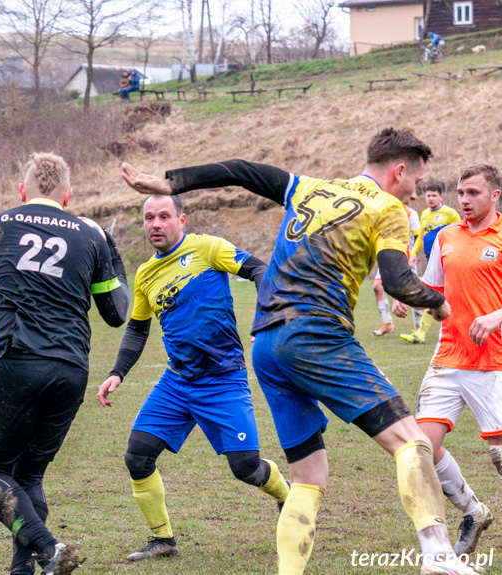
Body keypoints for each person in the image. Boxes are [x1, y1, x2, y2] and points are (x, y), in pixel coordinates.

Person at [120, 127, 481, 575]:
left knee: (308, 478)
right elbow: (401, 281)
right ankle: (440, 559)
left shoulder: (309, 186)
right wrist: (440, 303)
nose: (414, 190)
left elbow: (242, 171)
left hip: (267, 344)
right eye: (415, 179)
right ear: (400, 170)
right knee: (412, 444)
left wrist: (172, 182)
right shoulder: (388, 208)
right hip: (316, 335)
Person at [97, 194, 290, 562]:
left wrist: (266, 315)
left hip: (223, 380)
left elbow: (260, 270)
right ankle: (163, 539)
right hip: (177, 383)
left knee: (246, 468)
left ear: (181, 220)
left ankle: (286, 495)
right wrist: (117, 373)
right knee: (137, 457)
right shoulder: (145, 275)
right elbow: (137, 331)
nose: (156, 224)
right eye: (149, 217)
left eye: (164, 216)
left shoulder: (208, 249)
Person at [0, 152, 129, 575]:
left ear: (23, 191)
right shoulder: (92, 234)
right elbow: (116, 313)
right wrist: (114, 260)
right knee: (30, 473)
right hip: (71, 369)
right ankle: (23, 569)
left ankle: (49, 549)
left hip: (17, 362)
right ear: (67, 195)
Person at [393, 162, 502, 558]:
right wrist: (408, 297)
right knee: (421, 447)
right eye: (461, 192)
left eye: (473, 192)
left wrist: (496, 316)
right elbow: (432, 287)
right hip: (448, 357)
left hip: (494, 362)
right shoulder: (445, 236)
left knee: (499, 454)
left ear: (495, 195)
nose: (465, 199)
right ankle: (474, 512)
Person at [401, 183, 461, 344]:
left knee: (444, 294)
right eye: (428, 195)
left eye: (434, 195)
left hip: (448, 259)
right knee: (436, 295)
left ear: (441, 197)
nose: (431, 198)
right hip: (431, 260)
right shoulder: (425, 214)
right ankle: (421, 332)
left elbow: (462, 232)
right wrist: (413, 253)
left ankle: (422, 332)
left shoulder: (450, 213)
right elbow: (421, 237)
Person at [373, 193, 421, 336]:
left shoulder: (410, 214)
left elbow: (419, 237)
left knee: (413, 292)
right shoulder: (384, 211)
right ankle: (387, 323)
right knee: (377, 286)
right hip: (387, 258)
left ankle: (418, 329)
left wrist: (413, 254)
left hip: (405, 259)